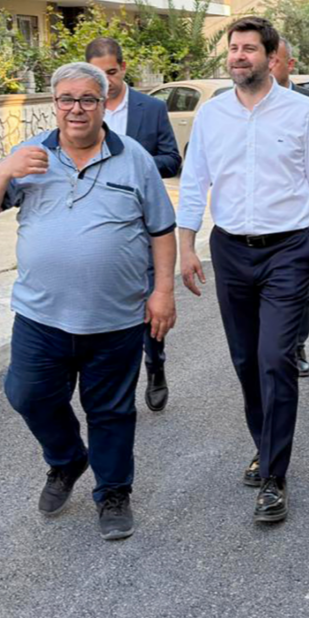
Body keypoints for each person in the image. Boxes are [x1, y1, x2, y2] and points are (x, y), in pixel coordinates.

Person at [0, 62, 175, 541]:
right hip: (42, 316)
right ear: (54, 104)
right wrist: (5, 169)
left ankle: (113, 492)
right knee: (27, 395)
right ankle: (66, 460)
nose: (76, 109)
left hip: (117, 318)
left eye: (87, 100)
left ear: (105, 105)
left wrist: (162, 291)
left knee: (111, 412)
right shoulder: (30, 154)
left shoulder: (135, 159)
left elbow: (161, 230)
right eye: (66, 99)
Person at [176, 16, 309, 525]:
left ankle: (274, 476)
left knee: (276, 358)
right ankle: (264, 445)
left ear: (270, 57)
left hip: (288, 250)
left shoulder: (301, 112)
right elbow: (194, 183)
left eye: (249, 49)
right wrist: (187, 246)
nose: (238, 57)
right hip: (229, 249)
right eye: (233, 49)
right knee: (246, 362)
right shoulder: (211, 116)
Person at [84, 38, 182, 412]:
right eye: (98, 74)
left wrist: (133, 169)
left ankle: (155, 364)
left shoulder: (151, 108)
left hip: (141, 223)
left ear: (123, 68)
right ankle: (112, 382)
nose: (105, 81)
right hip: (94, 222)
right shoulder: (82, 106)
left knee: (146, 298)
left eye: (111, 72)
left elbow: (171, 159)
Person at [266, 43, 309, 378]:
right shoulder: (240, 102)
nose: (268, 65)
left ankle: (296, 346)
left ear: (288, 64)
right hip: (260, 218)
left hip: (303, 216)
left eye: (274, 59)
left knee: (299, 286)